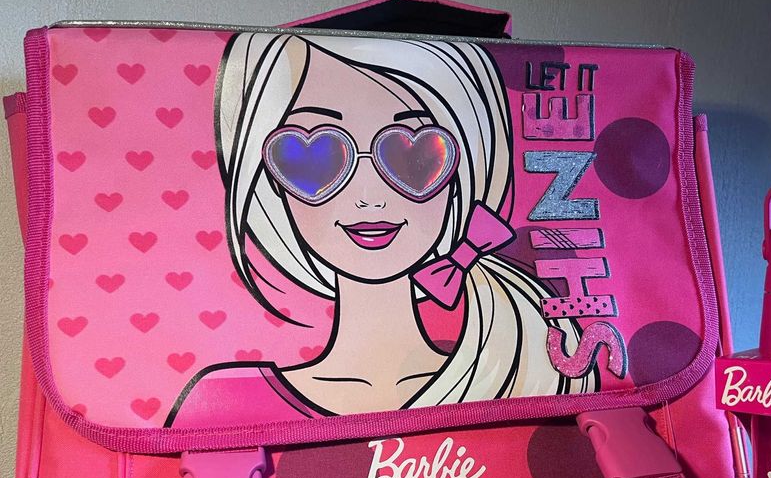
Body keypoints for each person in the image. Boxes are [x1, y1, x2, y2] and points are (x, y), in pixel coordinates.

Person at [168, 32, 591, 427]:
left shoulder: (524, 370)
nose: (369, 198)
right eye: (321, 158)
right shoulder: (224, 400)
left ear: (461, 174)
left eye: (415, 157)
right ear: (274, 184)